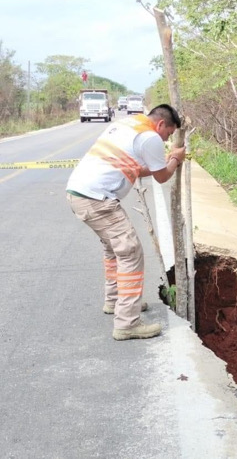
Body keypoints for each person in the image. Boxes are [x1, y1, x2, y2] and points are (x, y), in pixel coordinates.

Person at [66, 104, 186, 341]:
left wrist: (166, 160)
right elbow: (162, 176)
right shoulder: (149, 136)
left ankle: (115, 301)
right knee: (130, 251)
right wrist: (174, 157)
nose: (166, 139)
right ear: (161, 124)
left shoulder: (127, 125)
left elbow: (138, 169)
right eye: (169, 134)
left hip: (79, 194)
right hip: (98, 200)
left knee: (113, 249)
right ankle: (127, 323)